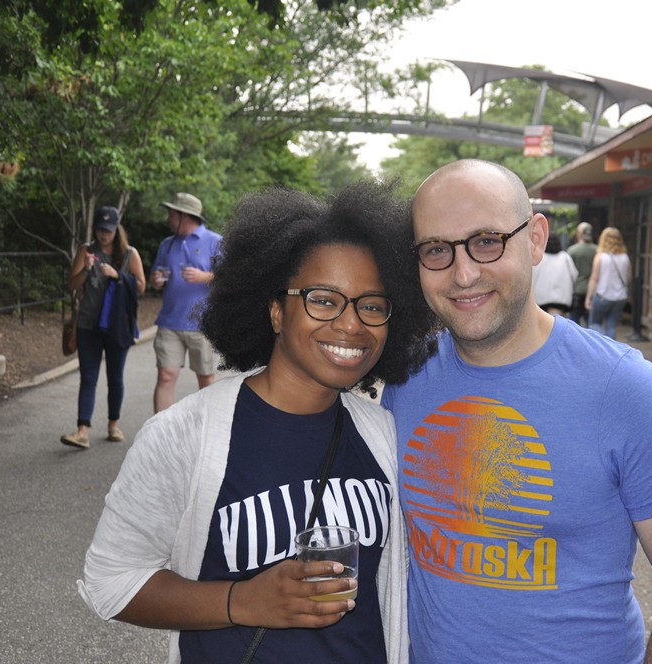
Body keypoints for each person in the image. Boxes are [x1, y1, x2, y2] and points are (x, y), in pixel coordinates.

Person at [381, 159, 652, 664]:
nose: (463, 273)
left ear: (536, 239)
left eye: (486, 240)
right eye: (437, 249)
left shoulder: (623, 389)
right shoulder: (406, 378)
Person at [78, 182, 438, 664]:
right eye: (323, 299)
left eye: (371, 305)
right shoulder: (185, 435)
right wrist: (243, 602)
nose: (351, 324)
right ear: (274, 311)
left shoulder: (384, 436)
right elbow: (112, 582)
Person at [60, 206, 146, 449]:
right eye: (99, 230)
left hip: (118, 326)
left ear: (116, 230)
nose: (103, 235)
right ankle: (82, 431)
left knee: (115, 377)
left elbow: (140, 287)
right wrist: (87, 271)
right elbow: (72, 284)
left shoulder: (130, 254)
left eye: (107, 231)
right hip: (89, 324)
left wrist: (118, 275)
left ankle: (113, 425)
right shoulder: (86, 251)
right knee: (88, 377)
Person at [150, 192, 223, 412]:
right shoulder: (167, 244)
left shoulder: (215, 241)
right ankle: (160, 434)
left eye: (172, 215)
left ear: (186, 216)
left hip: (202, 324)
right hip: (170, 322)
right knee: (165, 376)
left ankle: (204, 433)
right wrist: (156, 280)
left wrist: (205, 277)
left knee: (206, 379)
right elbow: (156, 277)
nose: (168, 219)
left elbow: (232, 277)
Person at [585, 226, 633, 339]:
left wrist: (588, 297)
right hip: (620, 297)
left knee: (595, 323)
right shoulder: (625, 257)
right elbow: (629, 278)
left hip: (602, 296)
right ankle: (610, 350)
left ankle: (602, 347)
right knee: (611, 326)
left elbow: (594, 278)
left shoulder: (600, 257)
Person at [531, 233, 577, 315]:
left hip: (540, 298)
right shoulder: (565, 257)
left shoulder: (539, 257)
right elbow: (574, 275)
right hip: (561, 299)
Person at [566, 221, 597, 326]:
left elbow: (568, 273)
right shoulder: (597, 250)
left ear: (579, 233)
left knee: (574, 321)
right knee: (591, 323)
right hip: (593, 290)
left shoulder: (572, 251)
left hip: (576, 290)